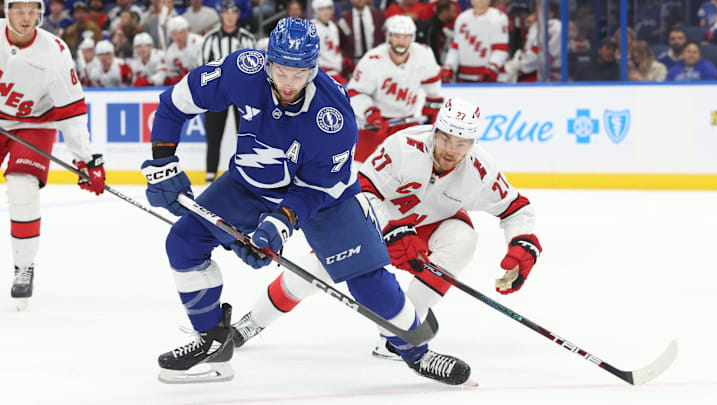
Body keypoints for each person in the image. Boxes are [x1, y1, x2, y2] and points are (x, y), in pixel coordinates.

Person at [140, 17, 472, 386]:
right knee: (184, 242)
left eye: (299, 74)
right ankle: (213, 344)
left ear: (314, 68)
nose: (288, 83)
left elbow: (315, 189)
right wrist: (162, 163)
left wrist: (280, 223)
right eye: (280, 70)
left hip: (327, 198)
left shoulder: (334, 115)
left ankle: (414, 351)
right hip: (252, 182)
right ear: (268, 61)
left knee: (367, 280)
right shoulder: (241, 71)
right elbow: (173, 105)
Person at [230, 97, 542, 361]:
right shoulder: (403, 146)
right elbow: (362, 191)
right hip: (372, 221)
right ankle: (254, 321)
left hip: (429, 228)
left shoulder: (481, 171)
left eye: (461, 144)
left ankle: (398, 332)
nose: (450, 150)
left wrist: (521, 245)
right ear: (436, 131)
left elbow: (517, 208)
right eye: (445, 138)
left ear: (473, 144)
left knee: (463, 238)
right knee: (312, 273)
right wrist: (390, 229)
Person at [0, 0, 105, 309]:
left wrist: (85, 159)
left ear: (41, 13)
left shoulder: (55, 52)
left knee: (22, 187)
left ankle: (23, 267)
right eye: (19, 9)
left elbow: (71, 113)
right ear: (7, 11)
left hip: (34, 123)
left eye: (33, 10)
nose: (26, 17)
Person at [347, 15, 443, 163]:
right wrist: (370, 113)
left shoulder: (424, 54)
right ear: (388, 37)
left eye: (406, 37)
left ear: (413, 38)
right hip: (377, 124)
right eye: (397, 36)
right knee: (360, 167)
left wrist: (432, 106)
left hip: (408, 123)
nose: (401, 42)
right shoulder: (373, 59)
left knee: (416, 165)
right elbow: (355, 92)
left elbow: (433, 84)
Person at [200, 0, 256, 183]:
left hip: (243, 95)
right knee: (213, 134)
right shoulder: (209, 40)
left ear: (238, 15)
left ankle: (247, 173)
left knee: (246, 135)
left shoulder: (248, 39)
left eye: (233, 12)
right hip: (217, 93)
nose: (230, 16)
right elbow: (203, 69)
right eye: (227, 12)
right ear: (221, 15)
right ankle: (210, 174)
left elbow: (255, 68)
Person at [441, 0, 509, 83]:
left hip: (493, 79)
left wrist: (492, 68)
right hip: (465, 77)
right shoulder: (462, 18)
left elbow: (501, 50)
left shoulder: (498, 17)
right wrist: (449, 67)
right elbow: (455, 48)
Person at [337, 0, 386, 78]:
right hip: (353, 65)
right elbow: (341, 42)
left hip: (376, 62)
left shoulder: (379, 16)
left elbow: (383, 40)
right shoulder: (344, 19)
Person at [311, 0, 346, 85]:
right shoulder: (312, 27)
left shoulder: (333, 26)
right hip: (321, 72)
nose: (326, 12)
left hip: (335, 70)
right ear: (316, 11)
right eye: (322, 9)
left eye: (329, 8)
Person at [415, 0, 457, 65]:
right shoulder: (428, 27)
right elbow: (427, 51)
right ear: (445, 12)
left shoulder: (442, 29)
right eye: (453, 12)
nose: (455, 15)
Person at [163, 16, 203, 85]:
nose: (178, 37)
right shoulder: (170, 52)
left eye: (181, 32)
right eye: (175, 34)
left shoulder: (199, 42)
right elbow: (172, 74)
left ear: (187, 31)